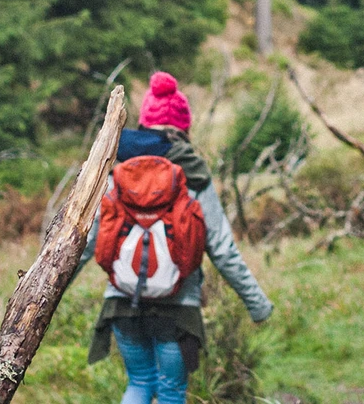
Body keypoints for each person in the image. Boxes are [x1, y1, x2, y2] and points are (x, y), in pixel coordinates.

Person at [79, 71, 273, 404]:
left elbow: (86, 239)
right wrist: (257, 304)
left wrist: (44, 294)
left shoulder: (114, 162)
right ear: (184, 126)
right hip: (177, 308)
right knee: (170, 391)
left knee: (139, 383)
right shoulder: (192, 170)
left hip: (121, 301)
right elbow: (222, 249)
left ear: (144, 121)